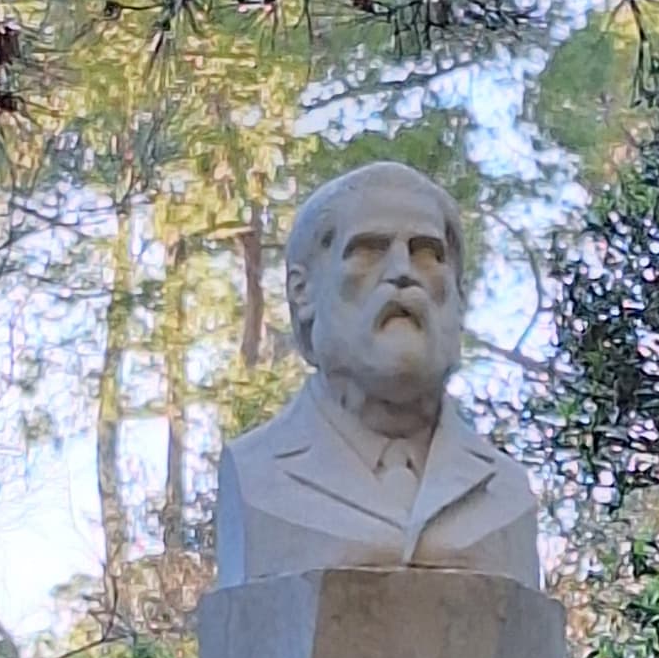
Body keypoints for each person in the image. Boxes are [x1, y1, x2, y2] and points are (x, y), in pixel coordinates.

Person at [215, 157, 540, 584]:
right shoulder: (258, 475)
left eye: (428, 254)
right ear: (303, 291)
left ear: (458, 297)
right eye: (368, 250)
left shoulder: (508, 492)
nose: (403, 272)